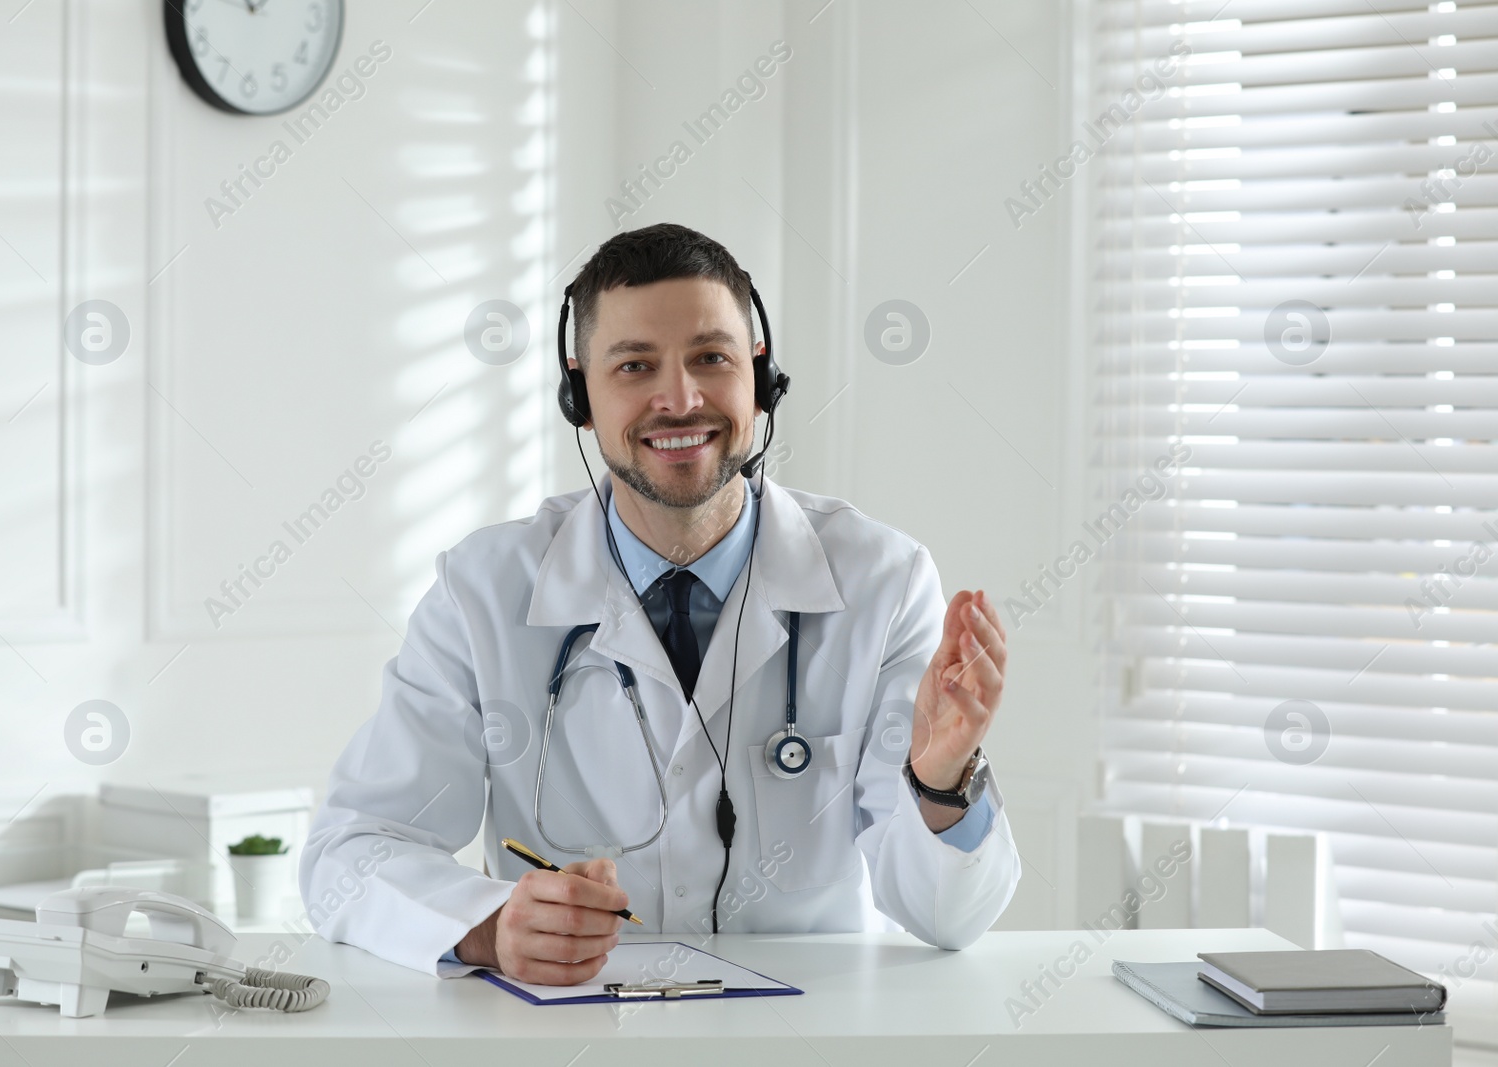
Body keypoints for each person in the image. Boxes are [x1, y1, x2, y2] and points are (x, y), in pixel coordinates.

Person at [300, 222, 1020, 986]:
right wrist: (487, 926)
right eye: (635, 366)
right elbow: (348, 852)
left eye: (711, 358)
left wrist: (942, 781)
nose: (679, 399)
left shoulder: (883, 579)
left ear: (760, 377)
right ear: (579, 396)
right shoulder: (483, 588)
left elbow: (948, 916)